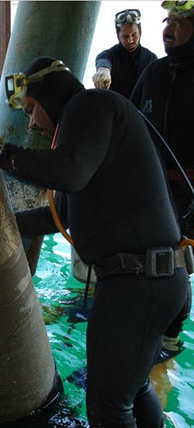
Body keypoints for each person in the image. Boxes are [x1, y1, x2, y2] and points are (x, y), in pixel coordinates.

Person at [0, 58, 191, 426]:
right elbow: (59, 217)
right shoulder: (91, 138)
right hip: (157, 279)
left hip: (139, 283)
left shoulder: (90, 103)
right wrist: (0, 226)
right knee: (132, 389)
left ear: (50, 94)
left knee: (108, 405)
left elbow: (69, 173)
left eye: (31, 109)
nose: (32, 124)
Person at [130, 0, 194, 363]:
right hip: (150, 188)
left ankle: (169, 338)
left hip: (189, 195)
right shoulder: (154, 72)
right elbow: (129, 120)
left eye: (180, 23)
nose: (170, 29)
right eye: (168, 21)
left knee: (176, 265)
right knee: (146, 258)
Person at [92, 8, 157, 98]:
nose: (130, 40)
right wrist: (103, 72)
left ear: (140, 32)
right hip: (115, 105)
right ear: (118, 36)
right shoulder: (109, 55)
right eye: (125, 36)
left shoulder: (151, 58)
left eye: (134, 35)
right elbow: (103, 62)